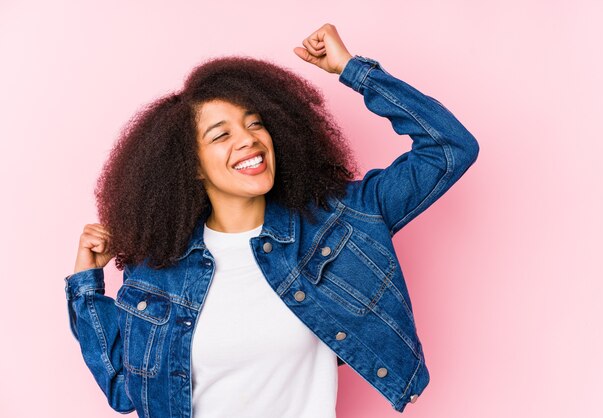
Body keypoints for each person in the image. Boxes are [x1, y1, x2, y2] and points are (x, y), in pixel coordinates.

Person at [64, 23, 479, 418]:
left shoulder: (340, 223)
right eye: (221, 134)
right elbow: (124, 390)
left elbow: (448, 149)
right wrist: (86, 285)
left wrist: (352, 70)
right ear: (191, 166)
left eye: (255, 124)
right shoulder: (159, 270)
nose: (249, 140)